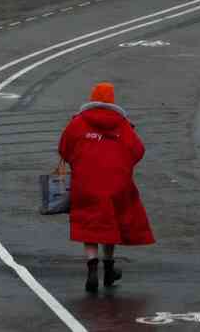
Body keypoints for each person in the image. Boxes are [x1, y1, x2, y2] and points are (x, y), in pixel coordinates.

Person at [57, 82, 155, 293]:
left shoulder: (78, 122)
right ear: (112, 100)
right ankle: (108, 269)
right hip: (116, 183)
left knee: (89, 224)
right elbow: (138, 150)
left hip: (86, 183)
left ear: (92, 98)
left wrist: (80, 162)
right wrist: (121, 165)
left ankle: (92, 268)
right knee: (111, 224)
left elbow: (64, 148)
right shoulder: (123, 124)